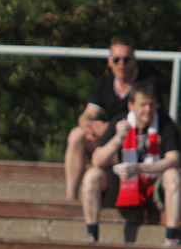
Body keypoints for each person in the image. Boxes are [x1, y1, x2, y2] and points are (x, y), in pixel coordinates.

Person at [80, 81, 180, 245]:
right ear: (131, 105)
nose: (147, 110)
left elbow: (174, 159)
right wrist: (117, 139)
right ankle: (92, 235)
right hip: (124, 183)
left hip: (155, 183)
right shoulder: (120, 121)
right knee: (92, 175)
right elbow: (97, 160)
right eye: (142, 105)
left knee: (173, 175)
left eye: (151, 105)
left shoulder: (165, 123)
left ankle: (171, 236)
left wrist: (140, 168)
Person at [64, 35, 158, 200]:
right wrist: (88, 124)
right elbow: (88, 113)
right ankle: (70, 198)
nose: (121, 64)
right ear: (109, 61)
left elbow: (147, 118)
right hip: (112, 141)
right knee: (76, 134)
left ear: (135, 60)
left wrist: (108, 127)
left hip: (135, 143)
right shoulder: (105, 83)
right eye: (116, 59)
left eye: (126, 59)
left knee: (95, 171)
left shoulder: (146, 83)